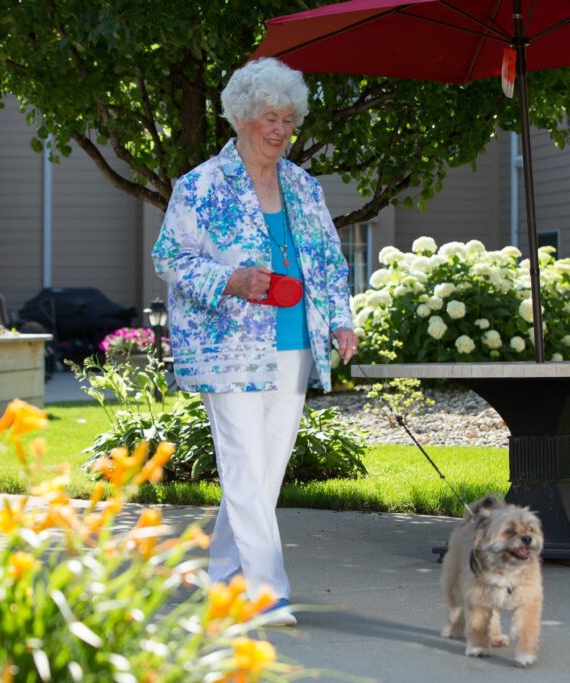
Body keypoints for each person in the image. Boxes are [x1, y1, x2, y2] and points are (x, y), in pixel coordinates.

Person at [152, 57, 357, 626]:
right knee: (245, 464)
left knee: (264, 472)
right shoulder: (200, 185)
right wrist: (228, 280)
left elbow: (328, 263)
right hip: (227, 347)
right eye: (270, 116)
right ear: (243, 116)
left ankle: (222, 578)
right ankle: (266, 594)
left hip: (294, 343)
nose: (281, 129)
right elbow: (169, 257)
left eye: (289, 119)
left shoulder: (301, 184)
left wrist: (342, 319)